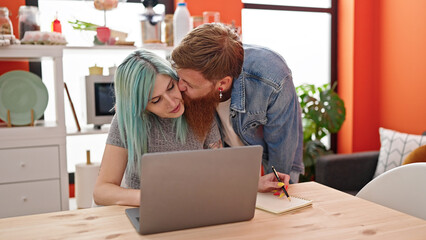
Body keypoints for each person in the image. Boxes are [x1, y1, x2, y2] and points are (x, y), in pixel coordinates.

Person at [93, 50, 290, 207]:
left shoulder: (200, 109)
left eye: (171, 87)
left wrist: (254, 184)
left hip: (193, 209)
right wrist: (155, 198)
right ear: (140, 106)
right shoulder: (127, 120)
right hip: (144, 211)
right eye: (155, 100)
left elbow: (219, 175)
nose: (172, 102)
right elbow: (102, 191)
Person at [171, 23, 304, 183]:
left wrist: (278, 186)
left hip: (275, 157)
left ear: (222, 84)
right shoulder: (191, 71)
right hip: (231, 163)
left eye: (189, 84)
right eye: (180, 78)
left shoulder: (272, 79)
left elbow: (282, 146)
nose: (179, 87)